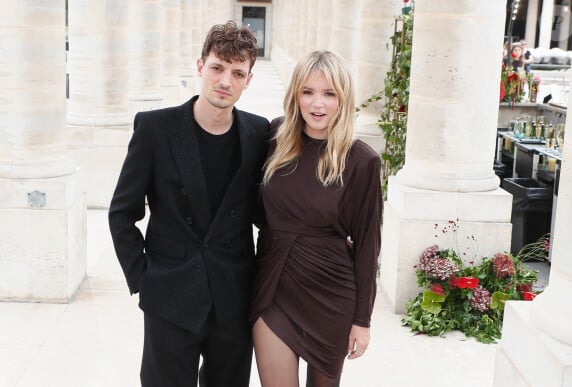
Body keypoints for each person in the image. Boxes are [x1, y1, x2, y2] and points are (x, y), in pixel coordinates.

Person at [108, 20, 269, 387]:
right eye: (217, 68)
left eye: (237, 72)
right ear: (200, 66)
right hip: (170, 296)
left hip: (233, 298)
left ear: (248, 80)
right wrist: (143, 280)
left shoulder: (259, 134)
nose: (225, 81)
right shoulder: (155, 129)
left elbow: (268, 214)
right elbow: (122, 213)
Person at [250, 50, 383, 387]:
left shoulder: (361, 160)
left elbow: (368, 245)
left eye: (329, 94)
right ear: (295, 95)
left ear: (343, 98)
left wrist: (362, 321)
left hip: (331, 295)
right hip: (273, 285)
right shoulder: (275, 137)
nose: (317, 104)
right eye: (307, 92)